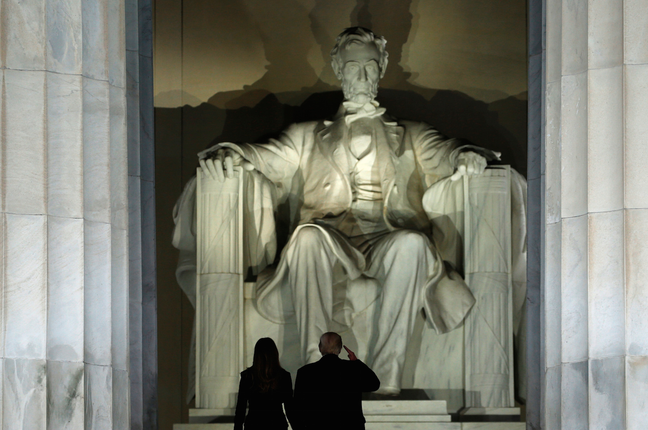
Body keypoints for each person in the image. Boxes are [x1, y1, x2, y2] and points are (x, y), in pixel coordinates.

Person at [180, 26, 527, 396]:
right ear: (337, 67)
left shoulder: (411, 133)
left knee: (412, 244)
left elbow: (446, 152)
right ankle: (317, 371)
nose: (361, 76)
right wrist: (231, 153)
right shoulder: (306, 134)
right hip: (329, 238)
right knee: (306, 238)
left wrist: (465, 156)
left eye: (369, 67)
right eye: (352, 66)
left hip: (385, 237)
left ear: (382, 68)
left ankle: (387, 377)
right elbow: (264, 156)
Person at [288, 332, 380, 430]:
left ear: (320, 348)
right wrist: (356, 362)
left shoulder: (305, 372)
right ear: (340, 349)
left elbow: (297, 406)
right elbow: (374, 384)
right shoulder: (352, 369)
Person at [234, 337, 293, 430]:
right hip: (277, 425)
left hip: (254, 425)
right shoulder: (284, 376)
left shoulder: (247, 376)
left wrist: (237, 427)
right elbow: (289, 408)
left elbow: (241, 408)